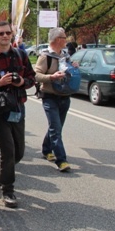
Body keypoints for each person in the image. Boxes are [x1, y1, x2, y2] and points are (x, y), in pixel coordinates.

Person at [0, 21, 36, 208]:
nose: (5, 36)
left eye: (8, 33)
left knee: (18, 152)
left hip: (18, 108)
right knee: (8, 151)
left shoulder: (21, 55)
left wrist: (21, 82)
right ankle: (8, 190)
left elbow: (32, 78)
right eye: (1, 33)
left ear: (12, 35)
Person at [34, 27, 77, 173]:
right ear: (58, 40)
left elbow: (70, 71)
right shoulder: (45, 56)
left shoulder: (65, 55)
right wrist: (51, 77)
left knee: (56, 127)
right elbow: (36, 75)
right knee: (56, 128)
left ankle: (47, 150)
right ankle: (62, 160)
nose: (66, 40)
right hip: (50, 96)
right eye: (65, 38)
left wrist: (74, 66)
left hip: (65, 96)